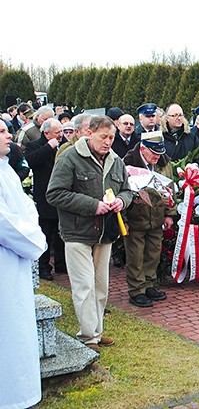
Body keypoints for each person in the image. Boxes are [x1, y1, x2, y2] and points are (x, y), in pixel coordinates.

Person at [47, 115, 133, 351]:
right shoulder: (70, 158)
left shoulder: (116, 161)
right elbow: (54, 193)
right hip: (77, 232)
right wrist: (92, 205)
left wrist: (121, 202)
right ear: (89, 134)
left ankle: (96, 330)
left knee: (100, 286)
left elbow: (127, 190)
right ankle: (87, 336)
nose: (108, 142)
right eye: (103, 137)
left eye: (112, 138)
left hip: (105, 233)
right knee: (84, 286)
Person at [0, 119, 47, 409]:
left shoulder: (6, 169)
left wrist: (32, 232)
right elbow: (5, 223)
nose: (9, 136)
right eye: (2, 132)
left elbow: (27, 206)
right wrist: (36, 241)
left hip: (15, 259)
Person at [123, 132, 175, 307]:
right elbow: (121, 192)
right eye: (153, 152)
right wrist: (123, 220)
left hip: (157, 216)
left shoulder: (164, 163)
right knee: (136, 256)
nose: (157, 156)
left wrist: (169, 213)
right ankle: (137, 290)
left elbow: (170, 189)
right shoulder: (128, 163)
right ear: (143, 149)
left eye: (160, 152)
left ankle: (149, 284)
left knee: (153, 254)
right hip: (136, 217)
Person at [25, 118, 67, 281]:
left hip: (61, 196)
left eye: (61, 132)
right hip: (44, 196)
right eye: (57, 132)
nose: (60, 135)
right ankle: (43, 267)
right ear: (46, 133)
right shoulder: (35, 145)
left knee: (60, 234)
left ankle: (61, 264)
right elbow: (30, 161)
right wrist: (48, 147)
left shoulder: (64, 145)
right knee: (45, 234)